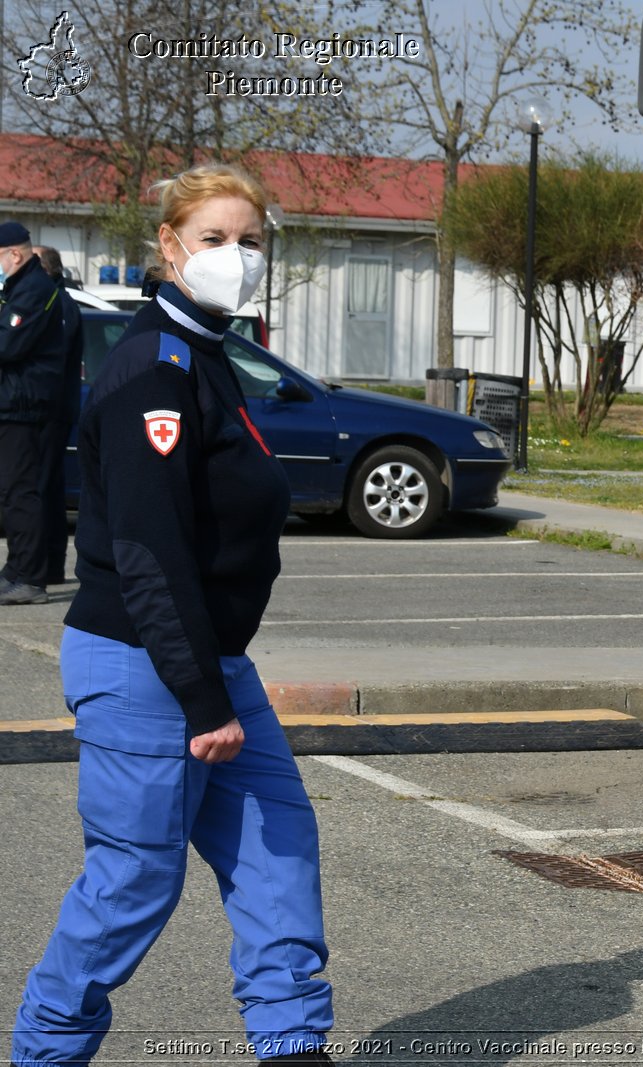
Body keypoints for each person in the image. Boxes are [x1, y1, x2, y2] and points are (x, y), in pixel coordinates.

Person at [8, 164, 335, 1067]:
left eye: (254, 239)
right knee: (133, 884)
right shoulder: (154, 368)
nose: (240, 256)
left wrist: (214, 681)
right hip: (148, 666)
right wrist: (201, 698)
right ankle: (43, 1053)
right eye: (216, 239)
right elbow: (149, 553)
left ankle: (292, 1043)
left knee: (277, 848)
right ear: (169, 247)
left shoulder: (204, 355)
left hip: (212, 662)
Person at [0, 222, 68, 605]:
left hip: (24, 406)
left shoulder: (34, 290)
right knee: (12, 493)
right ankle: (16, 568)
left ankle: (30, 577)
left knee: (21, 493)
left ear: (15, 254)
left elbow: (8, 345)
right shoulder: (18, 287)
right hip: (13, 403)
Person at [31, 245, 83, 586]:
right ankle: (49, 564)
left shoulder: (59, 305)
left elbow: (51, 357)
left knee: (41, 487)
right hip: (48, 407)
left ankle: (45, 565)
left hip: (50, 409)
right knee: (46, 487)